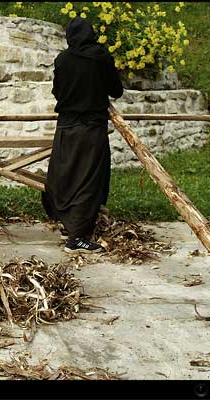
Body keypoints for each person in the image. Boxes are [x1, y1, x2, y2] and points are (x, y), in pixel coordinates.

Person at [42, 17, 124, 254]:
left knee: (65, 176)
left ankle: (69, 225)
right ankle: (77, 238)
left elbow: (58, 91)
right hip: (91, 129)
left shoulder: (62, 60)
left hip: (66, 128)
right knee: (88, 181)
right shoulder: (101, 57)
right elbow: (116, 90)